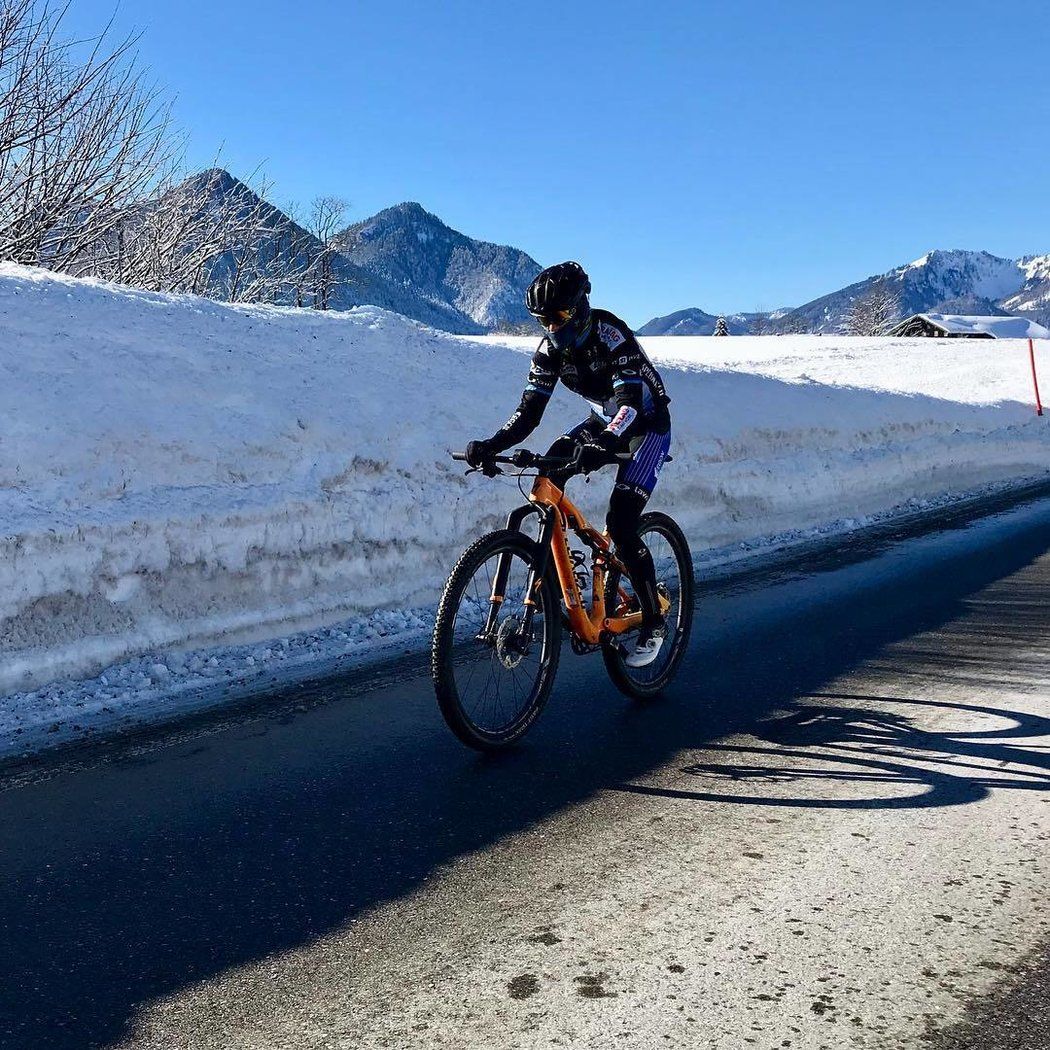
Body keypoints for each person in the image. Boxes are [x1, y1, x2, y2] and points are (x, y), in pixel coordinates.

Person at [465, 261, 673, 668]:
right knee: (549, 473)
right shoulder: (548, 351)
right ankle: (571, 567)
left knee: (624, 522)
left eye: (559, 316)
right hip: (604, 419)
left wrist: (608, 443)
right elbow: (528, 413)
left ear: (580, 307)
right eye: (543, 319)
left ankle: (653, 619)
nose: (553, 327)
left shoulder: (611, 335)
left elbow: (630, 403)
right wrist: (491, 444)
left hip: (645, 424)